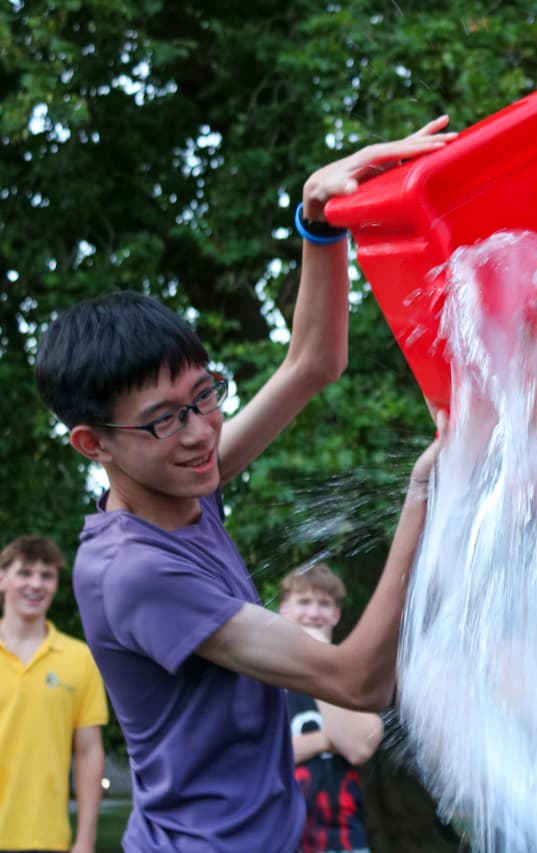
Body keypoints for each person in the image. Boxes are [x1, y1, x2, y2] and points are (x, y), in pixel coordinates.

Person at [33, 118, 455, 852]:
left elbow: (312, 363)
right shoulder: (134, 571)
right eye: (164, 419)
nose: (202, 432)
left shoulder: (181, 481)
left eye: (206, 395)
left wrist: (318, 221)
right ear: (93, 444)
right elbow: (357, 680)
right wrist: (427, 495)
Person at [0, 536, 108, 853]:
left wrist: (85, 841)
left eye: (46, 576)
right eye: (25, 573)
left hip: (47, 839)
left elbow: (89, 752)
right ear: (2, 579)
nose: (36, 584)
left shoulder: (80, 659)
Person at [279, 563, 383, 853]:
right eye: (303, 602)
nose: (314, 613)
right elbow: (258, 757)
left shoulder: (350, 678)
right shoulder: (262, 677)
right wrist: (329, 739)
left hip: (345, 841)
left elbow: (359, 747)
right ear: (284, 611)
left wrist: (320, 661)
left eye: (323, 604)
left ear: (335, 615)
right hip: (278, 840)